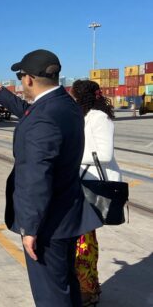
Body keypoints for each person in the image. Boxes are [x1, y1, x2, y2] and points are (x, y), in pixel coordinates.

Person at [0, 49, 101, 307]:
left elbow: (36, 177)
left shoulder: (44, 119)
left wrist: (30, 228)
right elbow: (31, 112)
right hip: (68, 215)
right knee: (66, 285)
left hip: (48, 225)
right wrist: (1, 92)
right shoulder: (65, 104)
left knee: (51, 296)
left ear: (28, 80)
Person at [71, 79, 122, 306]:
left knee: (84, 238)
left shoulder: (100, 118)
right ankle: (87, 286)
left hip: (94, 185)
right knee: (82, 237)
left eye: (74, 95)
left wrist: (69, 157)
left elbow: (104, 154)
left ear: (82, 96)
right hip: (81, 182)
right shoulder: (83, 116)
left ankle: (88, 290)